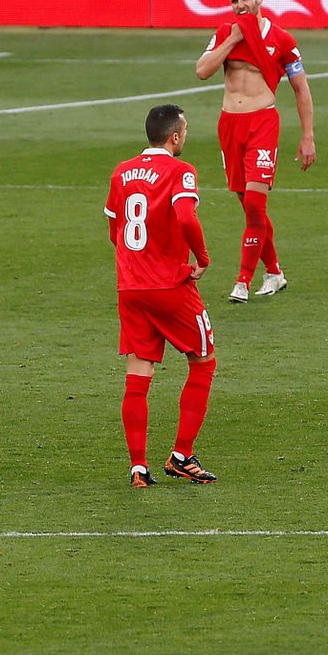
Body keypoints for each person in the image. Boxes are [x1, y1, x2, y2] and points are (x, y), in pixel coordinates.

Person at [105, 104, 218, 488]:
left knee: (138, 374)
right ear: (174, 136)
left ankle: (138, 467)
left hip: (130, 286)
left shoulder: (121, 172)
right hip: (170, 286)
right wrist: (200, 260)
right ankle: (182, 455)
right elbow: (186, 217)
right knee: (203, 361)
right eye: (184, 131)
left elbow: (114, 227)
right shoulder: (180, 171)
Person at [195, 0, 317, 304]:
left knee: (254, 204)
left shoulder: (282, 39)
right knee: (248, 205)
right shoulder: (225, 33)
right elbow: (203, 70)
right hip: (229, 126)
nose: (240, 5)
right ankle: (274, 272)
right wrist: (232, 40)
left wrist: (308, 135)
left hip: (262, 122)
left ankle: (243, 281)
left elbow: (300, 88)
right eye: (235, 1)